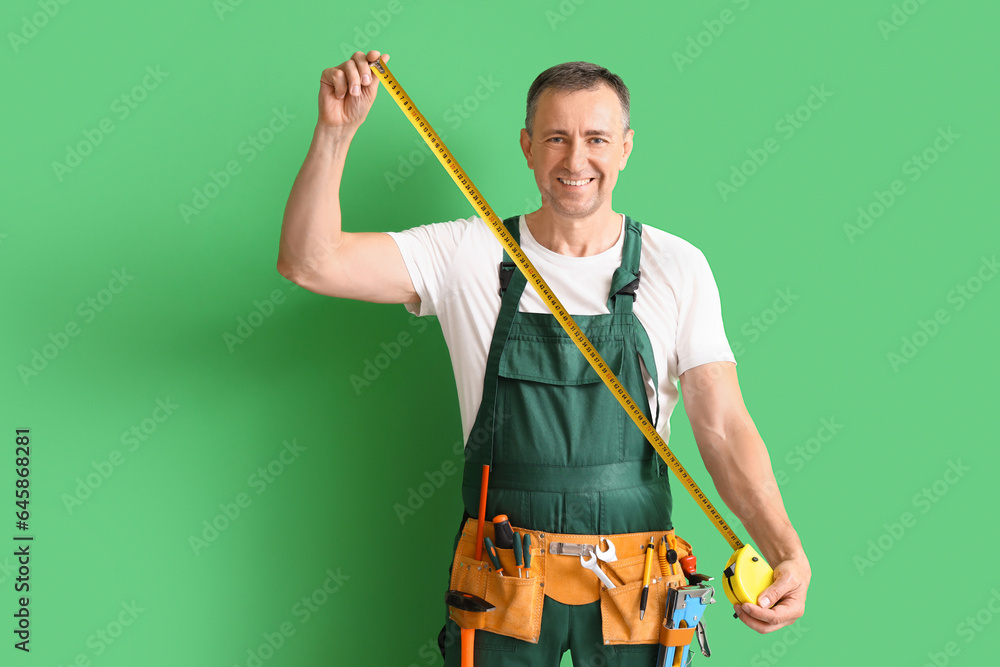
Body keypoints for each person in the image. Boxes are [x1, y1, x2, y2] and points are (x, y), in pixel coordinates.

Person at [277, 49, 810, 665]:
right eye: (556, 138)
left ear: (626, 147)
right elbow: (309, 261)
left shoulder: (677, 266)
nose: (576, 159)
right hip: (502, 579)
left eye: (596, 139)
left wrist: (784, 549)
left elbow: (721, 425)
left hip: (635, 583)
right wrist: (334, 134)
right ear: (528, 146)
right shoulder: (466, 253)